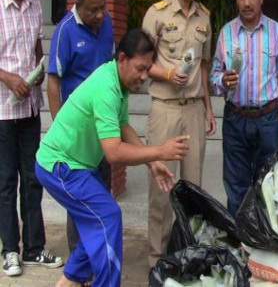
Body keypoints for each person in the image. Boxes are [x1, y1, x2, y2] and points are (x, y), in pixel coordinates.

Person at [35, 29, 190, 287]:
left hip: (77, 166)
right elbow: (114, 152)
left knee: (97, 224)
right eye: (140, 68)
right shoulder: (106, 88)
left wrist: (152, 163)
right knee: (108, 218)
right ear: (122, 59)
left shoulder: (119, 82)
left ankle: (68, 282)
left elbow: (123, 127)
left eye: (148, 69)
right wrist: (160, 150)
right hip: (59, 166)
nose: (144, 76)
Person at [141, 0, 216, 267]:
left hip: (194, 111)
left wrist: (209, 109)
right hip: (166, 110)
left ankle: (188, 252)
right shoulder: (156, 15)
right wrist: (169, 74)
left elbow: (203, 67)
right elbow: (142, 64)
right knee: (162, 189)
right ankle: (157, 258)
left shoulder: (204, 18)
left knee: (193, 188)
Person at [210, 0, 278, 216]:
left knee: (268, 183)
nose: (246, 3)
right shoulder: (226, 33)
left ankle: (264, 243)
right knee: (235, 186)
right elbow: (214, 77)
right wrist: (223, 81)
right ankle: (239, 243)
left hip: (267, 120)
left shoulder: (276, 32)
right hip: (235, 119)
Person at [0, 0, 63, 277]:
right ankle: (10, 249)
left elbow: (37, 46)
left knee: (33, 178)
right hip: (3, 111)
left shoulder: (35, 5)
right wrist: (8, 78)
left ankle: (35, 249)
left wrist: (39, 70)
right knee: (6, 182)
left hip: (29, 108)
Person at [47, 0, 114, 255]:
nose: (100, 15)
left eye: (103, 7)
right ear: (78, 5)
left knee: (101, 193)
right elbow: (53, 81)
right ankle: (79, 259)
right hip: (77, 135)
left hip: (103, 130)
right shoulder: (65, 31)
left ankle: (99, 251)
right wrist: (60, 131)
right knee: (79, 198)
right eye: (93, 10)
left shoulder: (107, 23)